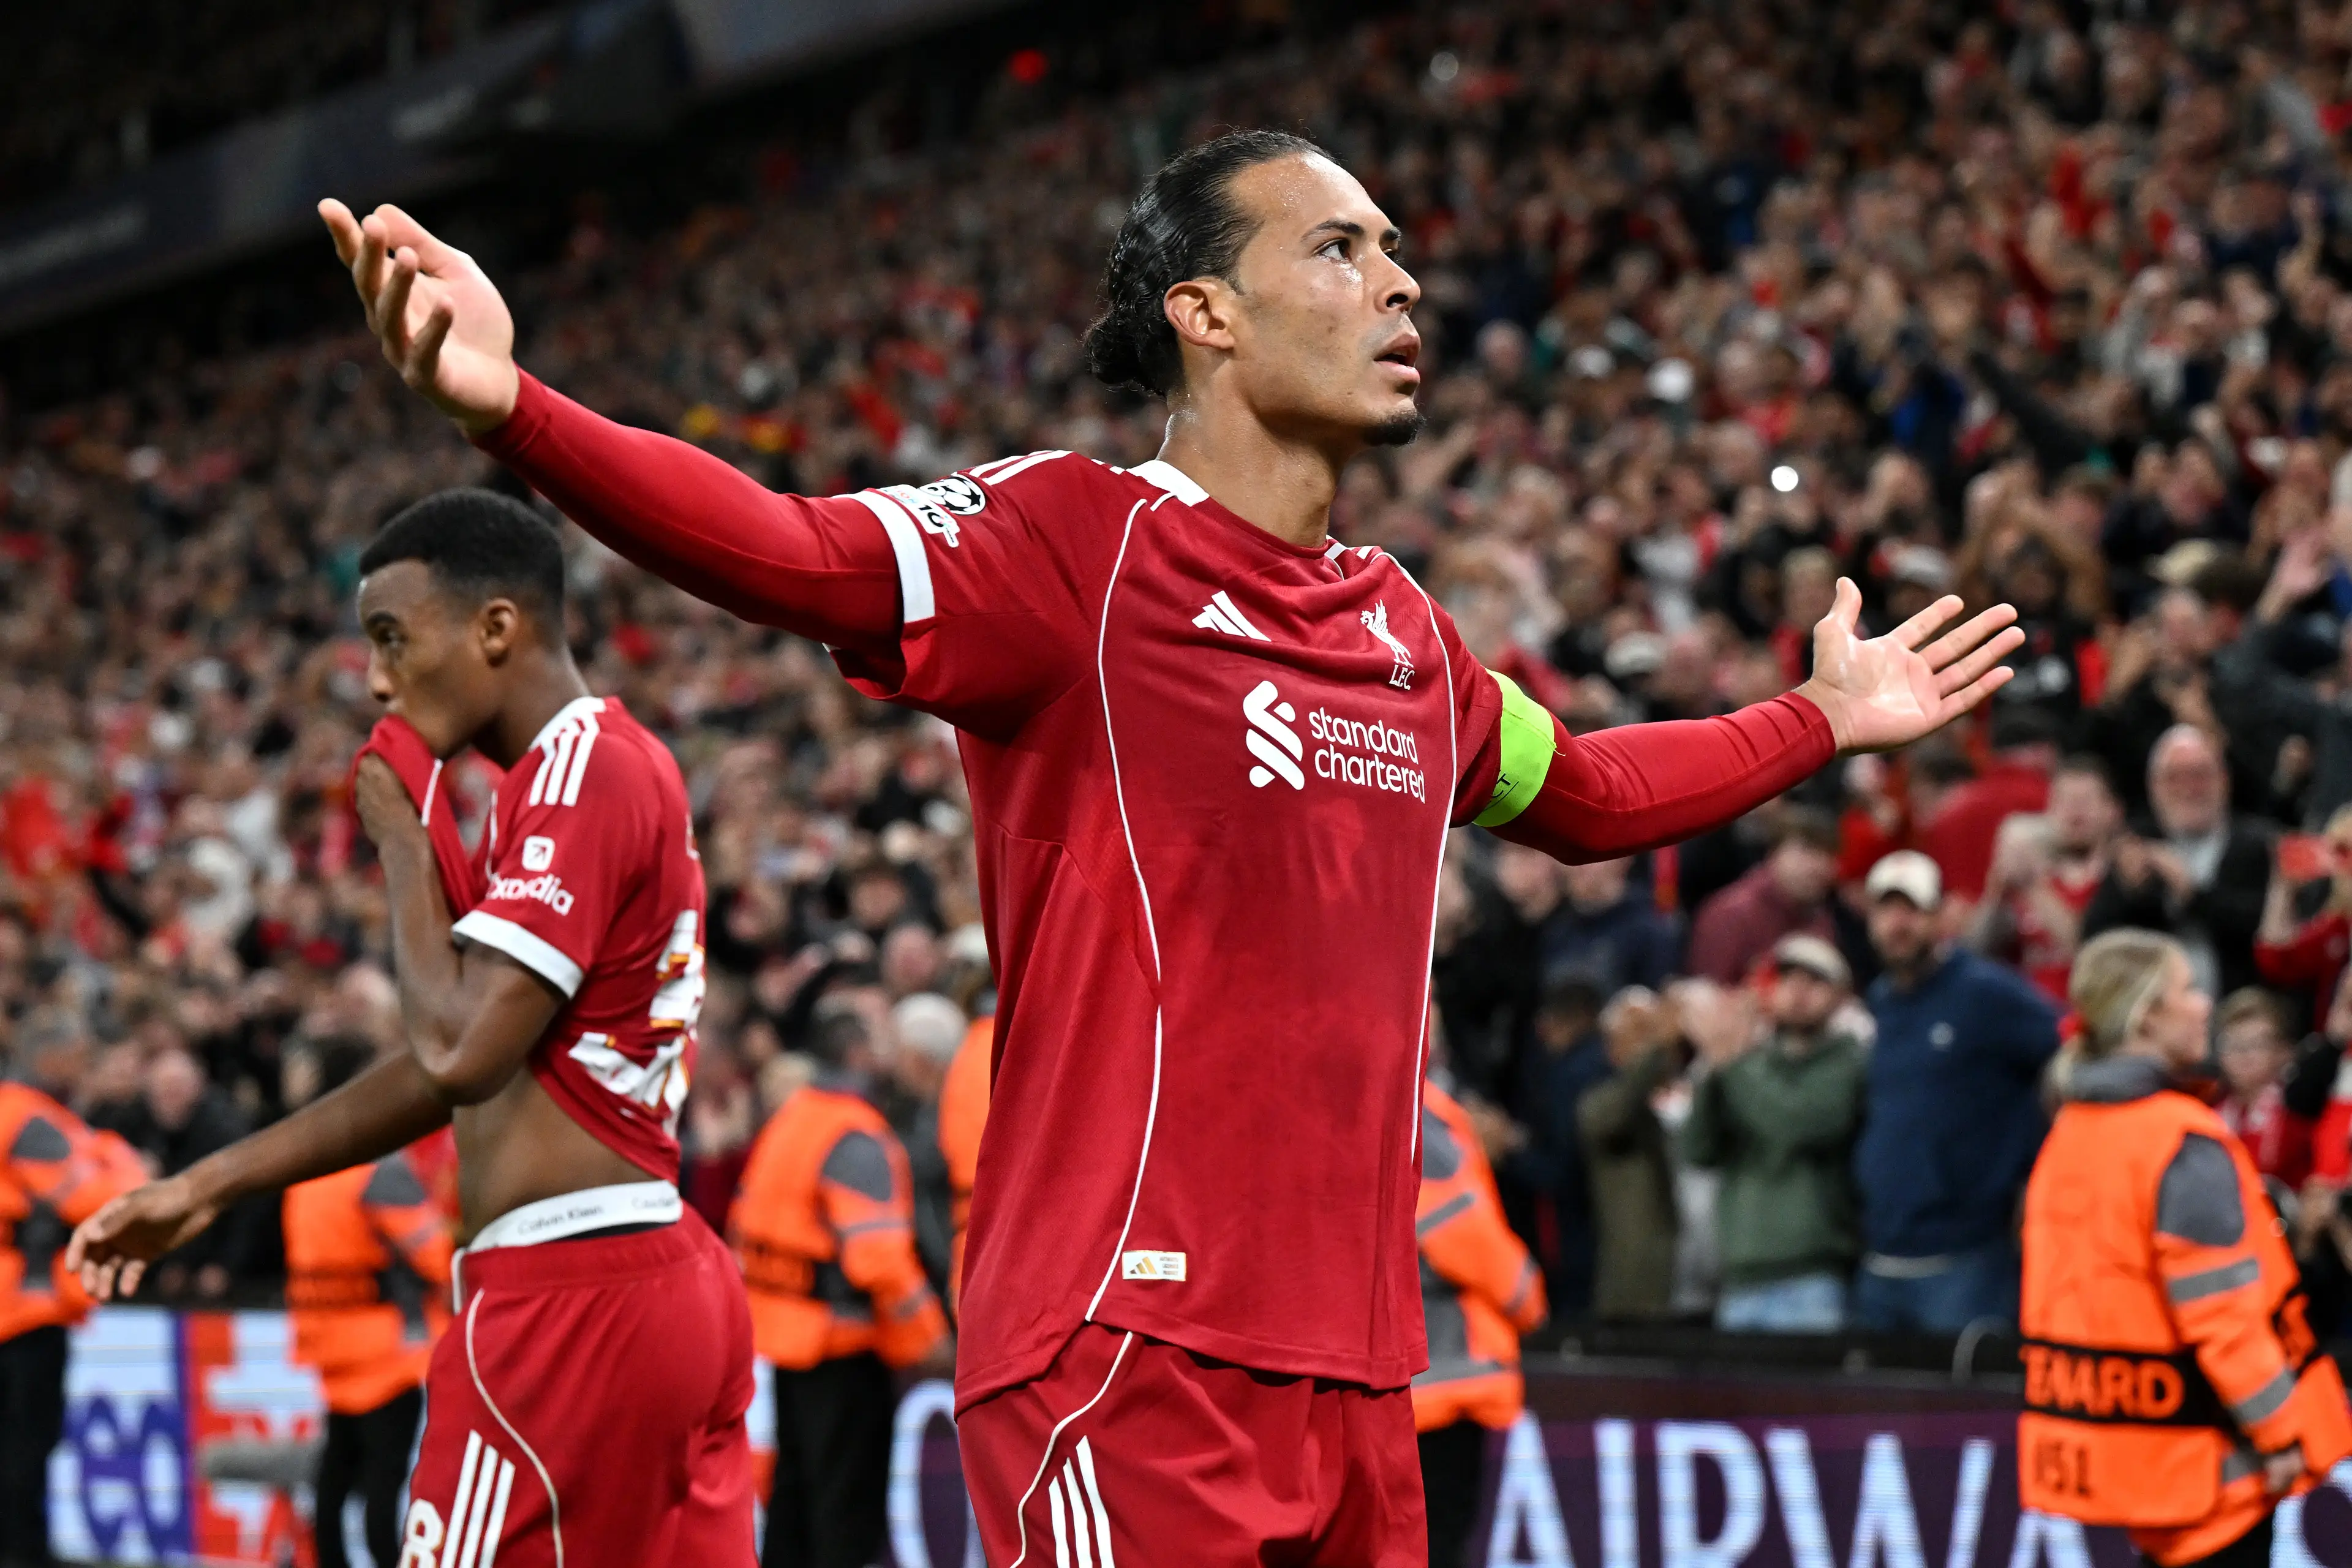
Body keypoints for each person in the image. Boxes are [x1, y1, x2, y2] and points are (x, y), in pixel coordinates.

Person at [315, 126, 2021, 1557]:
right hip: (1129, 1352)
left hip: (1364, 1379)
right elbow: (792, 548)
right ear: (1205, 312)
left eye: (1398, 252)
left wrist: (1819, 722)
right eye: (1343, 249)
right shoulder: (1078, 541)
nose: (1405, 283)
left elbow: (1582, 792)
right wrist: (515, 411)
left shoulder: (1405, 633)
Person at [68, 491, 758, 1567]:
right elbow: (446, 1071)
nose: (380, 682)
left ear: (494, 629)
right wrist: (203, 1187)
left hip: (570, 1299)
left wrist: (399, 832)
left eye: (393, 639)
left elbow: (457, 1053)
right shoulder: (576, 782)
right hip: (648, 1276)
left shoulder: (582, 771)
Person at [2020, 930, 2352, 1568]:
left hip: (2134, 1452)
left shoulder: (2073, 1129)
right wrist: (2281, 1430)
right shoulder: (2179, 1139)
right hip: (2211, 1466)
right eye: (2189, 990)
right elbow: (2223, 1319)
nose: (2205, 1005)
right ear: (2148, 1015)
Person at [729, 1009, 949, 1568]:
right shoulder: (856, 1136)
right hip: (843, 1352)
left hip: (786, 1340)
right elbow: (878, 1262)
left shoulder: (792, 1119)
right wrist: (934, 1344)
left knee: (794, 1508)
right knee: (843, 1522)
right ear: (856, 1056)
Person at [1853, 851, 2062, 1333]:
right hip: (1883, 1257)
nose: (1898, 924)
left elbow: (2070, 1048)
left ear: (1942, 916)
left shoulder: (1986, 993)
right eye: (1887, 910)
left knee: (1971, 1403)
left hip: (1967, 1259)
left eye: (1913, 910)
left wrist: (2040, 1172)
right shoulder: (1879, 1002)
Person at [281, 1035, 455, 1568]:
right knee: (386, 1486)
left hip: (330, 1346)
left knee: (334, 1482)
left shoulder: (306, 1173)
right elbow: (434, 1255)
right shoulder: (381, 1172)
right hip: (389, 1354)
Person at [1682, 935, 1868, 1333]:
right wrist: (1712, 1073)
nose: (1797, 992)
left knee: (1809, 1397)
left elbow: (1793, 1125)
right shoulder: (1750, 1064)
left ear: (1841, 997)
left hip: (1810, 1278)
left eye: (1815, 981)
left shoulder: (1848, 1062)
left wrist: (1730, 1061)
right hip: (1740, 1279)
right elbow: (1698, 1149)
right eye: (1787, 979)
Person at [0, 1084, 143, 1568]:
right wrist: (115, 1153)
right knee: (26, 1444)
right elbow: (96, 1198)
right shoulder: (22, 1115)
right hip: (21, 1309)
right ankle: (23, 1553)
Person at [1413, 1076, 1546, 1568]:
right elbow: (1455, 1227)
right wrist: (1526, 1294)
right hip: (1438, 1381)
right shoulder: (1417, 1110)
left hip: (1409, 1381)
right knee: (1438, 1547)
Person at [2083, 725, 2273, 1001]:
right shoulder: (2136, 844)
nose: (2188, 789)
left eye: (2199, 775)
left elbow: (2261, 934)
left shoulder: (2257, 846)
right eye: (2174, 778)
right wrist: (2128, 892)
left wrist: (2191, 894)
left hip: (2239, 1012)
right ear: (2153, 787)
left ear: (2224, 780)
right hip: (2156, 1014)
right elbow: (2096, 940)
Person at [1970, 756, 2121, 1003]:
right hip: (2029, 1022)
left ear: (2113, 811)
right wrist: (1995, 894)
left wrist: (2033, 887)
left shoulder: (2120, 883)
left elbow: (2089, 950)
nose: (2074, 811)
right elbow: (1977, 950)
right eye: (2064, 801)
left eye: (2085, 801)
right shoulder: (2030, 879)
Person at [1577, 987, 1683, 1321]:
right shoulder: (1601, 1106)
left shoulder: (1704, 1090)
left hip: (1712, 1278)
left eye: (1653, 1032)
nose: (1651, 1045)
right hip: (1641, 1291)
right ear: (1613, 1048)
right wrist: (1658, 1049)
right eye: (1638, 1034)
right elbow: (1609, 1117)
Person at [1685, 807, 1850, 985]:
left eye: (1826, 855)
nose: (1816, 866)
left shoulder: (1821, 917)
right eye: (1805, 851)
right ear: (1773, 853)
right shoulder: (1730, 913)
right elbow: (1705, 994)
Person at [2212, 989, 2315, 1193]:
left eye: (2257, 1044)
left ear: (2284, 1052)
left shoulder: (2298, 1111)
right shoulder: (2210, 1114)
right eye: (2233, 1044)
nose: (2244, 1055)